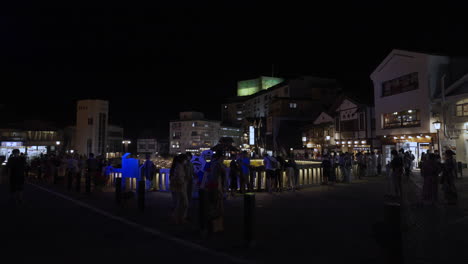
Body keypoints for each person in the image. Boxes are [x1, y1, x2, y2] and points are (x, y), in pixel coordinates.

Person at [169, 155, 188, 224]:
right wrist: (183, 182)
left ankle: (176, 218)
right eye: (185, 160)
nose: (186, 161)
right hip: (180, 188)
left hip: (175, 187)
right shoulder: (179, 167)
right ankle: (179, 218)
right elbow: (179, 178)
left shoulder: (175, 167)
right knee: (182, 204)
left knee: (177, 204)